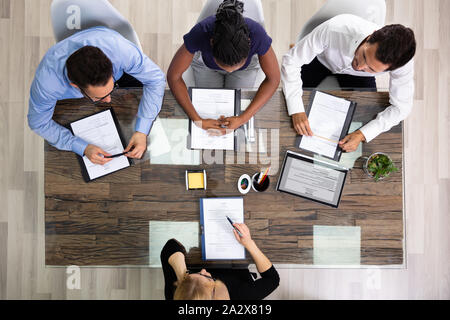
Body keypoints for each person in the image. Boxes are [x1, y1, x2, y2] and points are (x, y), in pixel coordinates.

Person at [28, 26, 166, 165]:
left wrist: (142, 131)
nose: (109, 100)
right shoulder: (47, 84)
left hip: (120, 69)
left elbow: (156, 79)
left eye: (110, 91)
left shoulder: (120, 50)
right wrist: (81, 147)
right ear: (75, 86)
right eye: (99, 98)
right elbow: (38, 123)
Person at [281, 14, 416, 152]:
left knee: (365, 117)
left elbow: (401, 108)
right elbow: (291, 62)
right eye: (364, 55)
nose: (360, 66)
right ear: (370, 36)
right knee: (286, 111)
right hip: (320, 60)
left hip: (359, 78)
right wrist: (296, 109)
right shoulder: (335, 28)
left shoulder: (402, 65)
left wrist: (363, 134)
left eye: (372, 68)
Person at [167, 0, 280, 136]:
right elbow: (173, 76)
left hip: (246, 69)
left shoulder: (257, 35)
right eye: (225, 66)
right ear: (211, 42)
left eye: (233, 67)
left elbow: (274, 79)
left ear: (250, 43)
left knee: (236, 110)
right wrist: (197, 120)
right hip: (206, 67)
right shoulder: (201, 32)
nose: (229, 71)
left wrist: (243, 119)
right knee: (209, 108)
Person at [161, 223, 279, 300]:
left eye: (196, 274)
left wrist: (183, 276)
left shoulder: (181, 294)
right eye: (207, 277)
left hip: (202, 253)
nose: (203, 271)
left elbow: (170, 246)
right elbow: (273, 279)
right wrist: (249, 243)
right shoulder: (243, 296)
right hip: (235, 262)